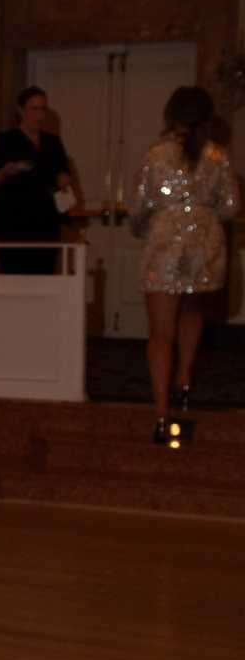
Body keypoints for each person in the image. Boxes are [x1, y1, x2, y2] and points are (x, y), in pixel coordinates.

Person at [130, 85, 239, 435]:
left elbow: (139, 206)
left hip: (165, 247)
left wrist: (146, 226)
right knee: (192, 313)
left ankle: (162, 412)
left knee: (160, 334)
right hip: (204, 247)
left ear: (171, 116)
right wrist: (202, 215)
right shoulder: (218, 156)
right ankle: (185, 379)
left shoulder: (156, 155)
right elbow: (232, 206)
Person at [0, 86, 72, 273]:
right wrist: (5, 172)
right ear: (21, 110)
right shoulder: (4, 141)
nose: (39, 115)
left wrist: (63, 179)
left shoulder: (52, 143)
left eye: (43, 109)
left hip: (46, 226)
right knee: (16, 279)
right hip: (12, 227)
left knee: (45, 277)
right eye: (34, 109)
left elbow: (63, 172)